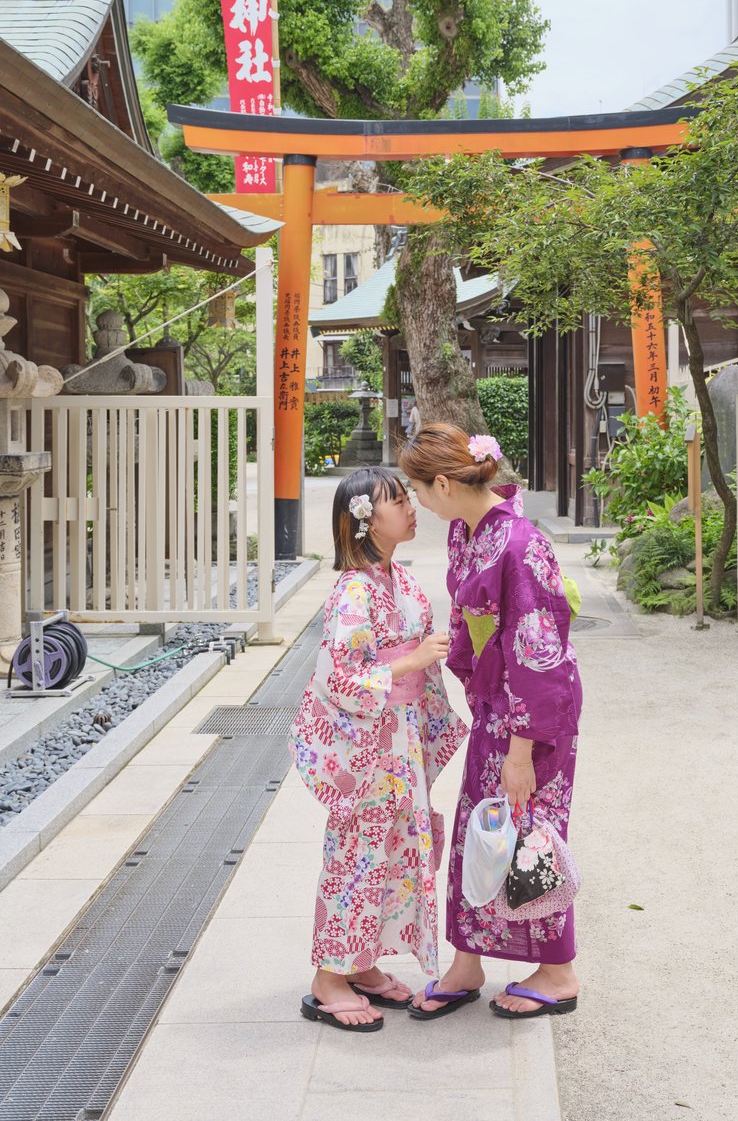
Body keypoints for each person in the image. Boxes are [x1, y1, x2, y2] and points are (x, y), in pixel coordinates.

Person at [398, 424, 582, 1021]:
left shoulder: (520, 544)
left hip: (530, 715)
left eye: (419, 490)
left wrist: (523, 751)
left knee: (531, 836)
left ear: (446, 482)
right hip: (494, 705)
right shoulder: (467, 531)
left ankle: (557, 972)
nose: (418, 502)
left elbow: (537, 651)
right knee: (480, 833)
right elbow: (477, 625)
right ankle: (468, 959)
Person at [290, 467, 467, 1032]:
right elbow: (338, 676)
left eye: (409, 498)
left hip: (401, 738)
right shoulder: (353, 589)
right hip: (367, 748)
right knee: (356, 857)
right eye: (397, 501)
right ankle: (327, 979)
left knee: (394, 849)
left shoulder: (402, 583)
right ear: (364, 519)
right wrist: (411, 661)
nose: (412, 508)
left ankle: (361, 965)